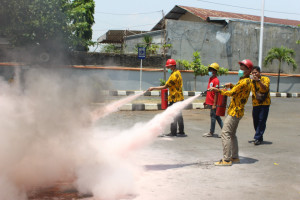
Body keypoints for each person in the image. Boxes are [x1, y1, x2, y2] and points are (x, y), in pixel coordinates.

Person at [208, 59, 253, 166]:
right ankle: (235, 157)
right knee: (232, 134)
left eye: (243, 68)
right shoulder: (244, 80)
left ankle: (226, 159)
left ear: (248, 70)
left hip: (235, 111)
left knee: (225, 133)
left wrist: (217, 90)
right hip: (237, 110)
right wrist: (232, 85)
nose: (240, 69)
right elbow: (237, 90)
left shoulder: (245, 81)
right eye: (240, 67)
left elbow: (232, 93)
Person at [148, 58, 186, 137]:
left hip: (174, 98)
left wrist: (153, 88)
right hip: (179, 98)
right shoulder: (178, 72)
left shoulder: (173, 77)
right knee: (179, 115)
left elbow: (165, 86)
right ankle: (181, 131)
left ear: (173, 67)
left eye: (169, 67)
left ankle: (173, 132)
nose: (168, 69)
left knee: (171, 115)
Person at [250, 66, 271, 145]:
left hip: (265, 103)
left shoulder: (266, 79)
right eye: (253, 73)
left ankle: (257, 137)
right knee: (255, 121)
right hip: (255, 103)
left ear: (259, 73)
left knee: (262, 120)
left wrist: (258, 81)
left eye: (256, 72)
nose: (254, 74)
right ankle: (259, 136)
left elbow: (265, 88)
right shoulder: (251, 81)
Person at [203, 63, 223, 138]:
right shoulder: (210, 79)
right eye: (210, 70)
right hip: (210, 101)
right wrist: (206, 101)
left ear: (215, 71)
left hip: (213, 102)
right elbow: (209, 91)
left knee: (213, 117)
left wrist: (214, 104)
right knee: (216, 117)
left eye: (211, 70)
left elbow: (216, 93)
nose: (210, 71)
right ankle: (225, 131)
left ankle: (211, 132)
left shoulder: (216, 80)